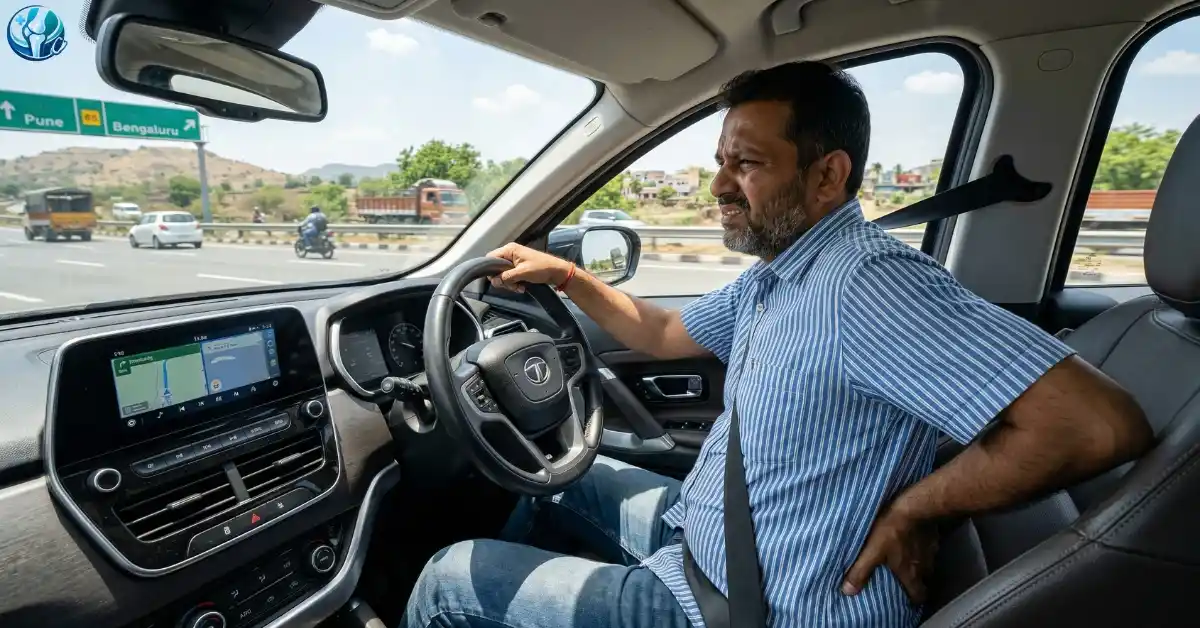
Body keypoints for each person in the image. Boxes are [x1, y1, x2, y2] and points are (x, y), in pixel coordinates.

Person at [402, 62, 1153, 628]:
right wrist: (567, 275)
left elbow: (1095, 423)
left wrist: (918, 511)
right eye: (723, 161)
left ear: (827, 176)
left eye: (748, 164)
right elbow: (664, 331)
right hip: (709, 538)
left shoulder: (868, 284)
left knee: (447, 577)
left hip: (754, 606)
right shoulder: (784, 274)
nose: (720, 186)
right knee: (555, 477)